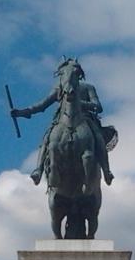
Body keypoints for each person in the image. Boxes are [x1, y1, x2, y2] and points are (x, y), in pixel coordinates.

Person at [12, 58, 114, 188]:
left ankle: (106, 171)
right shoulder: (59, 89)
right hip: (62, 119)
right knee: (47, 137)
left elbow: (97, 106)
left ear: (78, 74)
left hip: (85, 119)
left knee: (97, 137)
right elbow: (42, 105)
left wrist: (78, 102)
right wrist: (21, 112)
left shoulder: (88, 87)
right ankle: (38, 170)